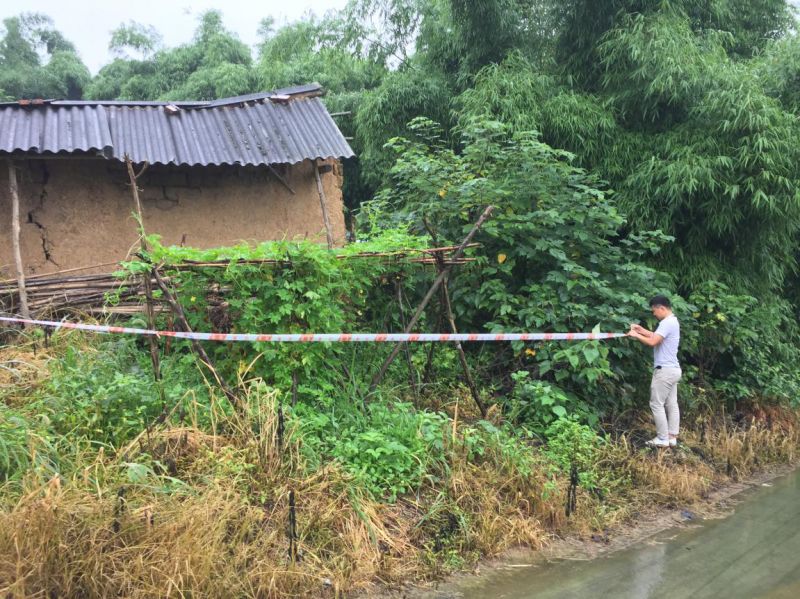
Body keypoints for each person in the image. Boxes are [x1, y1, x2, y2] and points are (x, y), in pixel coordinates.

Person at [627, 295, 681, 448]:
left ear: (661, 308)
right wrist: (642, 330)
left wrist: (635, 335)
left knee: (656, 404)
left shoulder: (666, 323)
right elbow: (656, 337)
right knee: (671, 403)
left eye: (654, 311)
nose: (654, 314)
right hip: (673, 370)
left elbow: (652, 342)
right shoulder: (673, 321)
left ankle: (662, 438)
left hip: (664, 371)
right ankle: (672, 437)